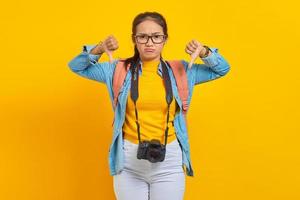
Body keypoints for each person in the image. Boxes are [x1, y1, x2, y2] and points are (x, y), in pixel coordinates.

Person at [68, 11, 230, 200]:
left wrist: (204, 52)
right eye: (143, 37)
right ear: (134, 39)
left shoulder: (182, 71)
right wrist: (99, 49)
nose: (150, 42)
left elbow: (222, 69)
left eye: (156, 37)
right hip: (128, 164)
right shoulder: (117, 70)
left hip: (169, 162)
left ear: (165, 39)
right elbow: (76, 66)